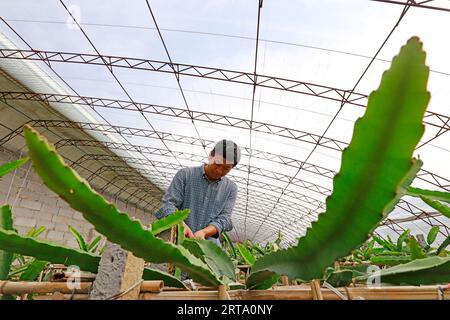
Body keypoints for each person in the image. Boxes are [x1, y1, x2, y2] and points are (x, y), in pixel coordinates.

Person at [155, 139, 241, 244]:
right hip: (175, 237)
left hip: (207, 244)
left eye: (226, 168)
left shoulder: (231, 189)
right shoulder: (185, 175)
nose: (219, 170)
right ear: (210, 155)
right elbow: (168, 205)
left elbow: (224, 218)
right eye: (217, 164)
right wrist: (181, 225)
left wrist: (205, 232)